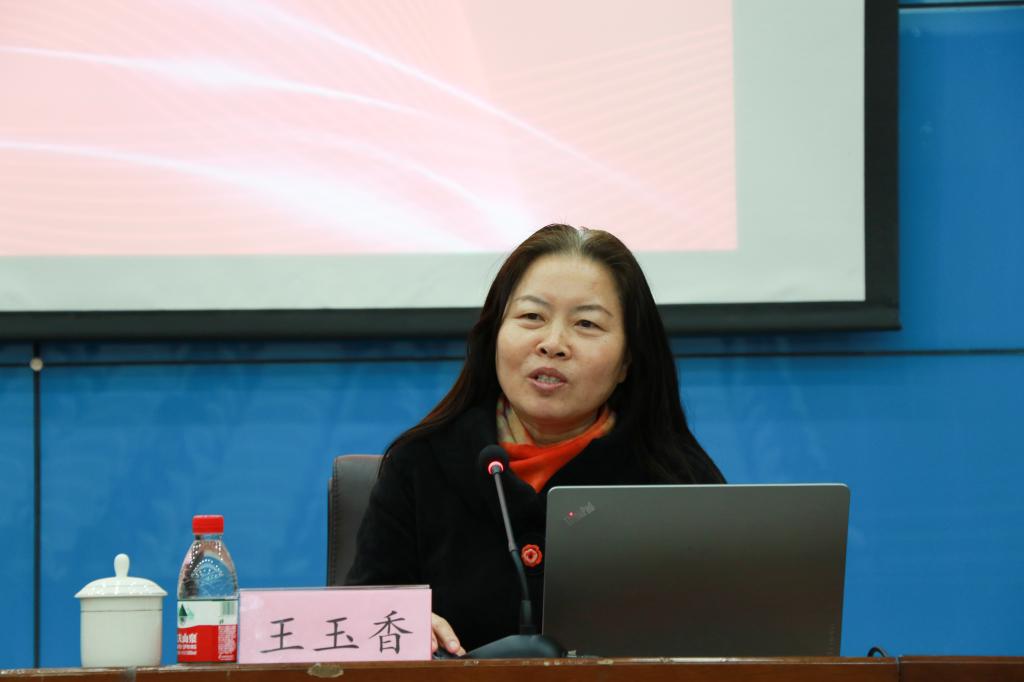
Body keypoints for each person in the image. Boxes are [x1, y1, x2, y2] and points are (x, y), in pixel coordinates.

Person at [346, 223, 725, 655]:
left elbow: (729, 635)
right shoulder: (421, 463)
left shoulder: (676, 479)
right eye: (532, 317)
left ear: (627, 361)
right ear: (494, 334)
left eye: (586, 323)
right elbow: (359, 622)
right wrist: (398, 622)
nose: (553, 343)